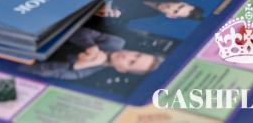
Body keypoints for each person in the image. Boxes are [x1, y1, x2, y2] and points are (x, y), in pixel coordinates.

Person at [23, 26, 161, 81]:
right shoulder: (116, 42)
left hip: (23, 52)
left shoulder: (82, 73)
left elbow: (31, 70)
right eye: (137, 54)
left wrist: (78, 65)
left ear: (121, 69)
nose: (128, 56)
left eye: (131, 62)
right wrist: (90, 46)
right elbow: (78, 30)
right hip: (38, 31)